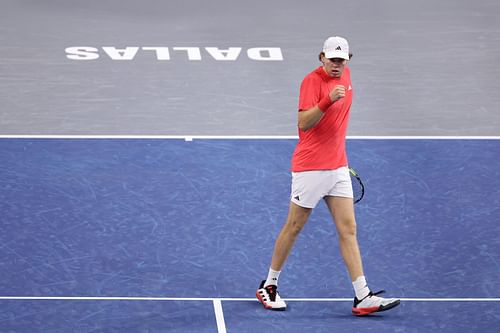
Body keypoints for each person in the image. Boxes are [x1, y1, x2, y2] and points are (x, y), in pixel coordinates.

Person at [256, 36, 400, 316]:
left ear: (347, 60)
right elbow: (303, 123)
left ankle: (362, 296)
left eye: (341, 60)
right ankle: (269, 285)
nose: (336, 65)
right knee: (294, 227)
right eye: (332, 59)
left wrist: (337, 156)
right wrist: (326, 101)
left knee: (349, 230)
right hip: (310, 169)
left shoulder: (346, 77)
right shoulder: (311, 82)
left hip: (337, 168)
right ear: (321, 57)